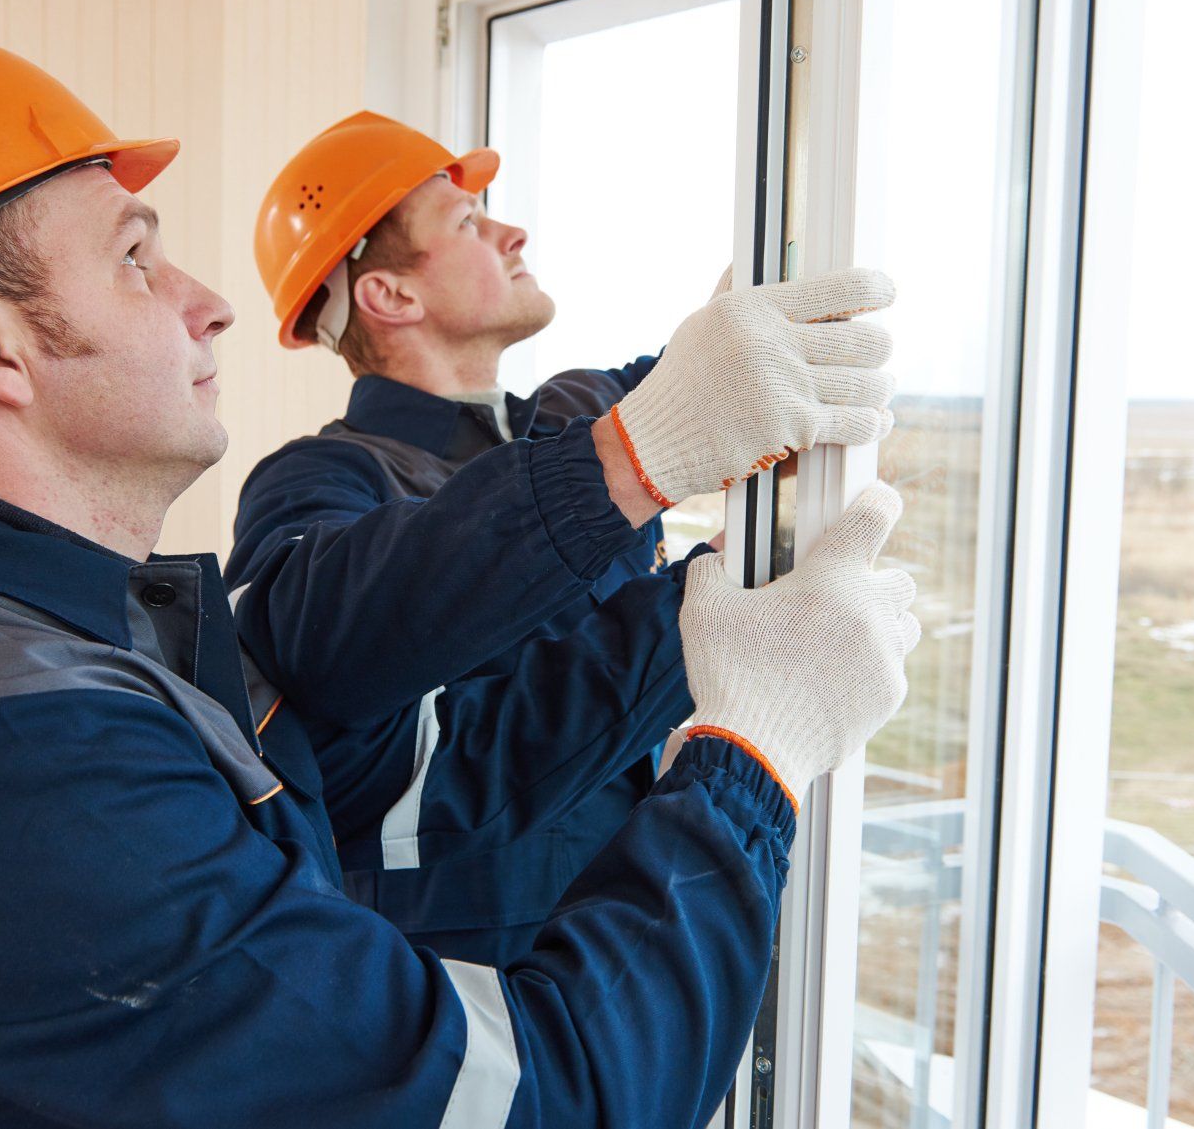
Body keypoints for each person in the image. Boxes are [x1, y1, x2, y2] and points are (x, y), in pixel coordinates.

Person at [0, 22, 921, 1129]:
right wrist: (751, 752)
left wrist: (693, 556)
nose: (208, 306)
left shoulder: (38, 659)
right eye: (139, 256)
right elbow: (539, 1103)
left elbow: (439, 760)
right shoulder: (15, 764)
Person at [231, 112, 897, 964]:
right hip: (477, 983)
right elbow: (325, 648)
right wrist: (705, 598)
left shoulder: (569, 414)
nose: (512, 231)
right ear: (389, 295)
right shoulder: (321, 480)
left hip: (629, 930)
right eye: (469, 223)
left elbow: (728, 371)